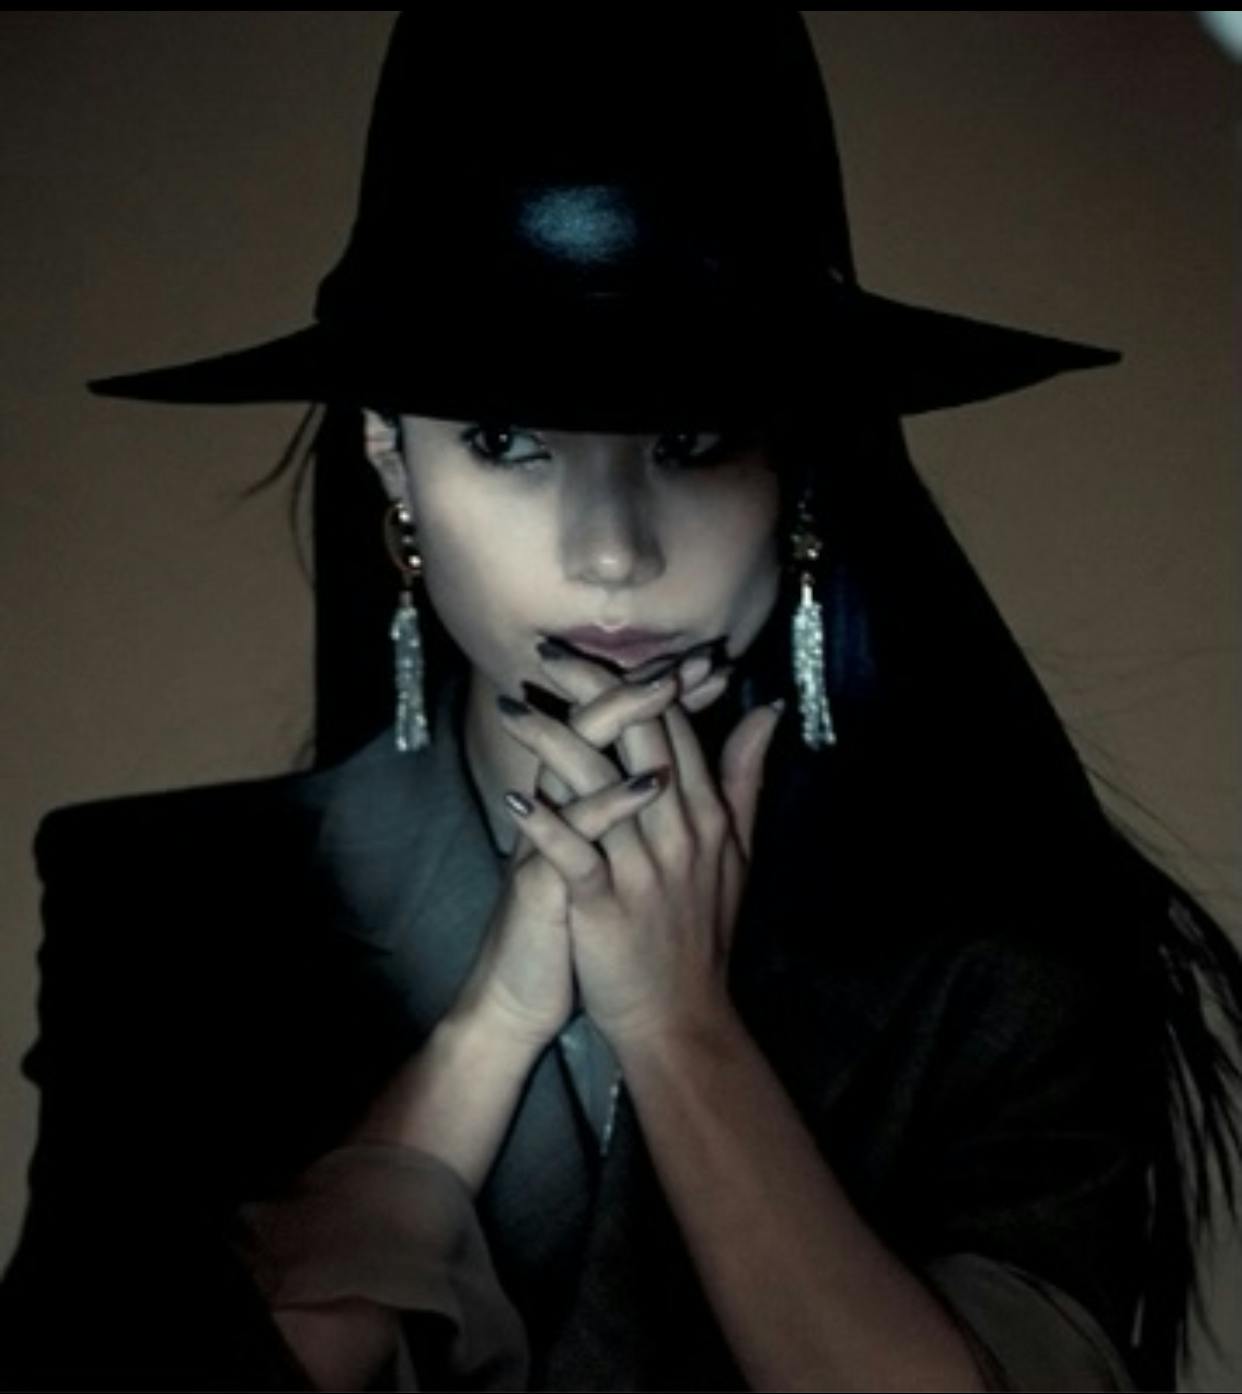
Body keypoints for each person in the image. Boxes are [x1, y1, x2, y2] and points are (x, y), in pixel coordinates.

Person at [2, 12, 1239, 1392]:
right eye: (505, 440)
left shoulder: (1002, 949)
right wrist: (485, 1034)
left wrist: (679, 1031)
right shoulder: (168, 908)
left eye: (691, 439)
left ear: (797, 465)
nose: (610, 553)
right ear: (392, 463)